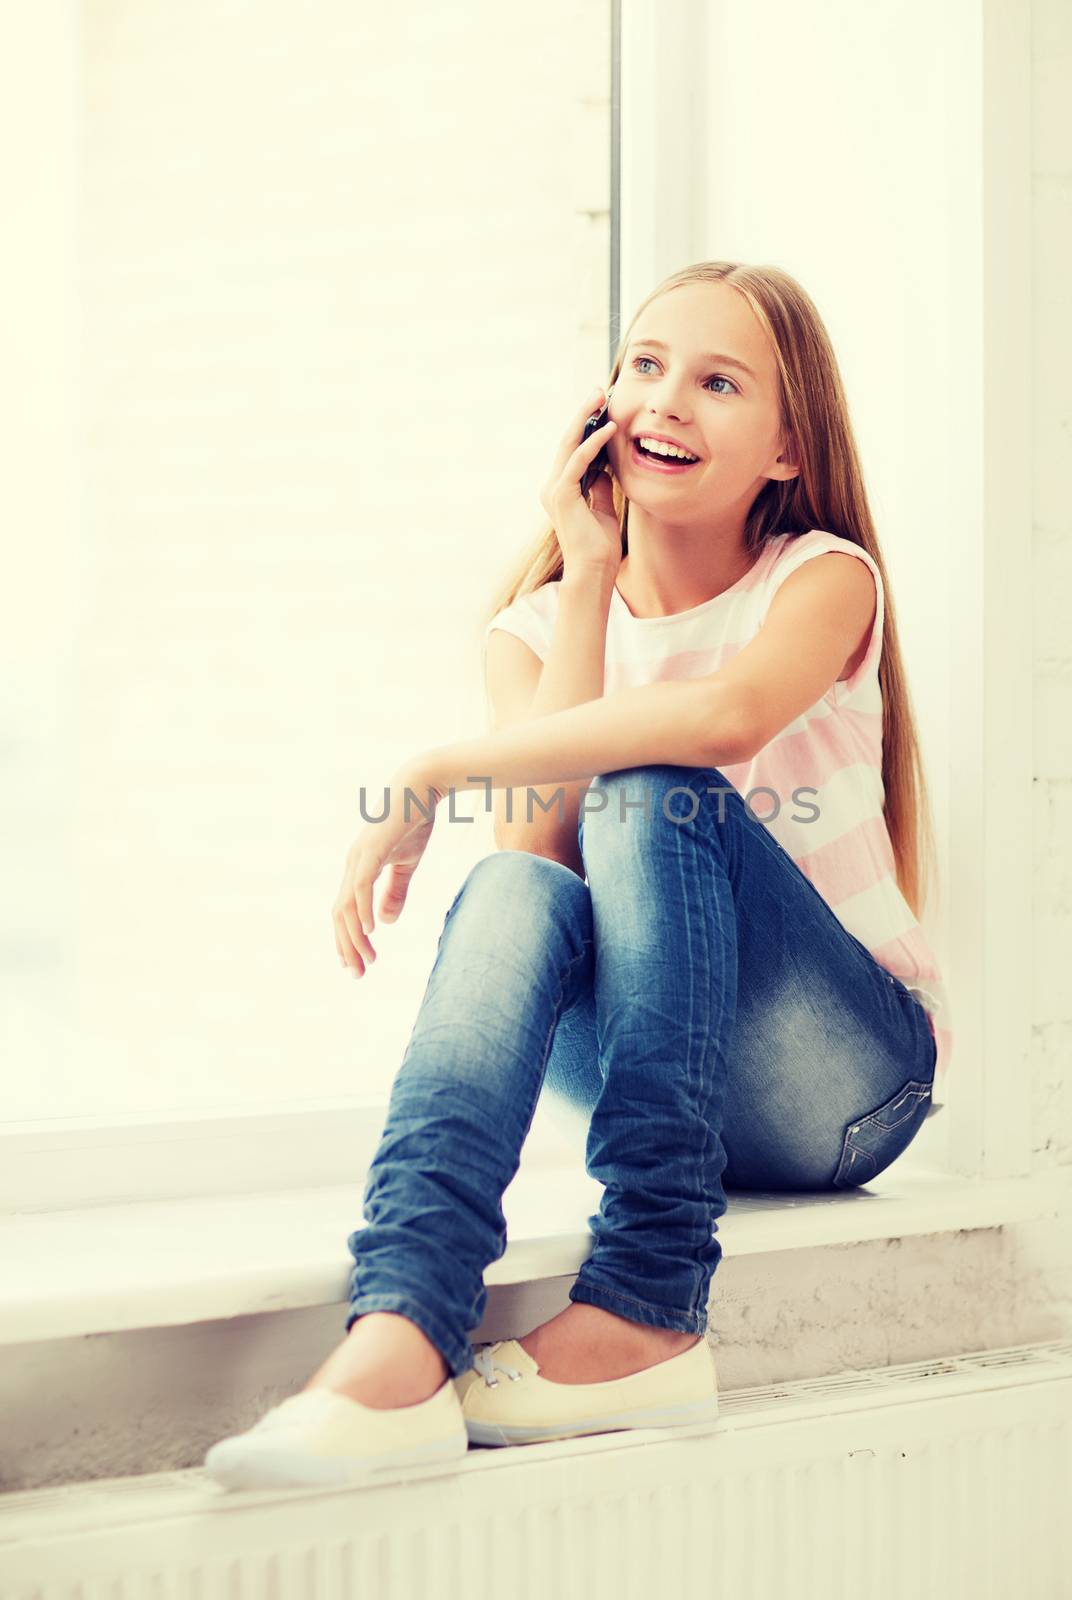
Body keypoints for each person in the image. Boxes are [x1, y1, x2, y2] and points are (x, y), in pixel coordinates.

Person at [204, 260, 950, 1490]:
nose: (665, 400)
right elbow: (535, 862)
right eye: (644, 364)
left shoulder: (820, 577)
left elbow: (718, 720)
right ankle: (399, 1329)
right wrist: (587, 570)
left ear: (784, 449)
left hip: (839, 1082)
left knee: (655, 782)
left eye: (718, 381)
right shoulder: (539, 626)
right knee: (513, 891)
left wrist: (438, 768)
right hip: (659, 1074)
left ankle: (651, 1298)